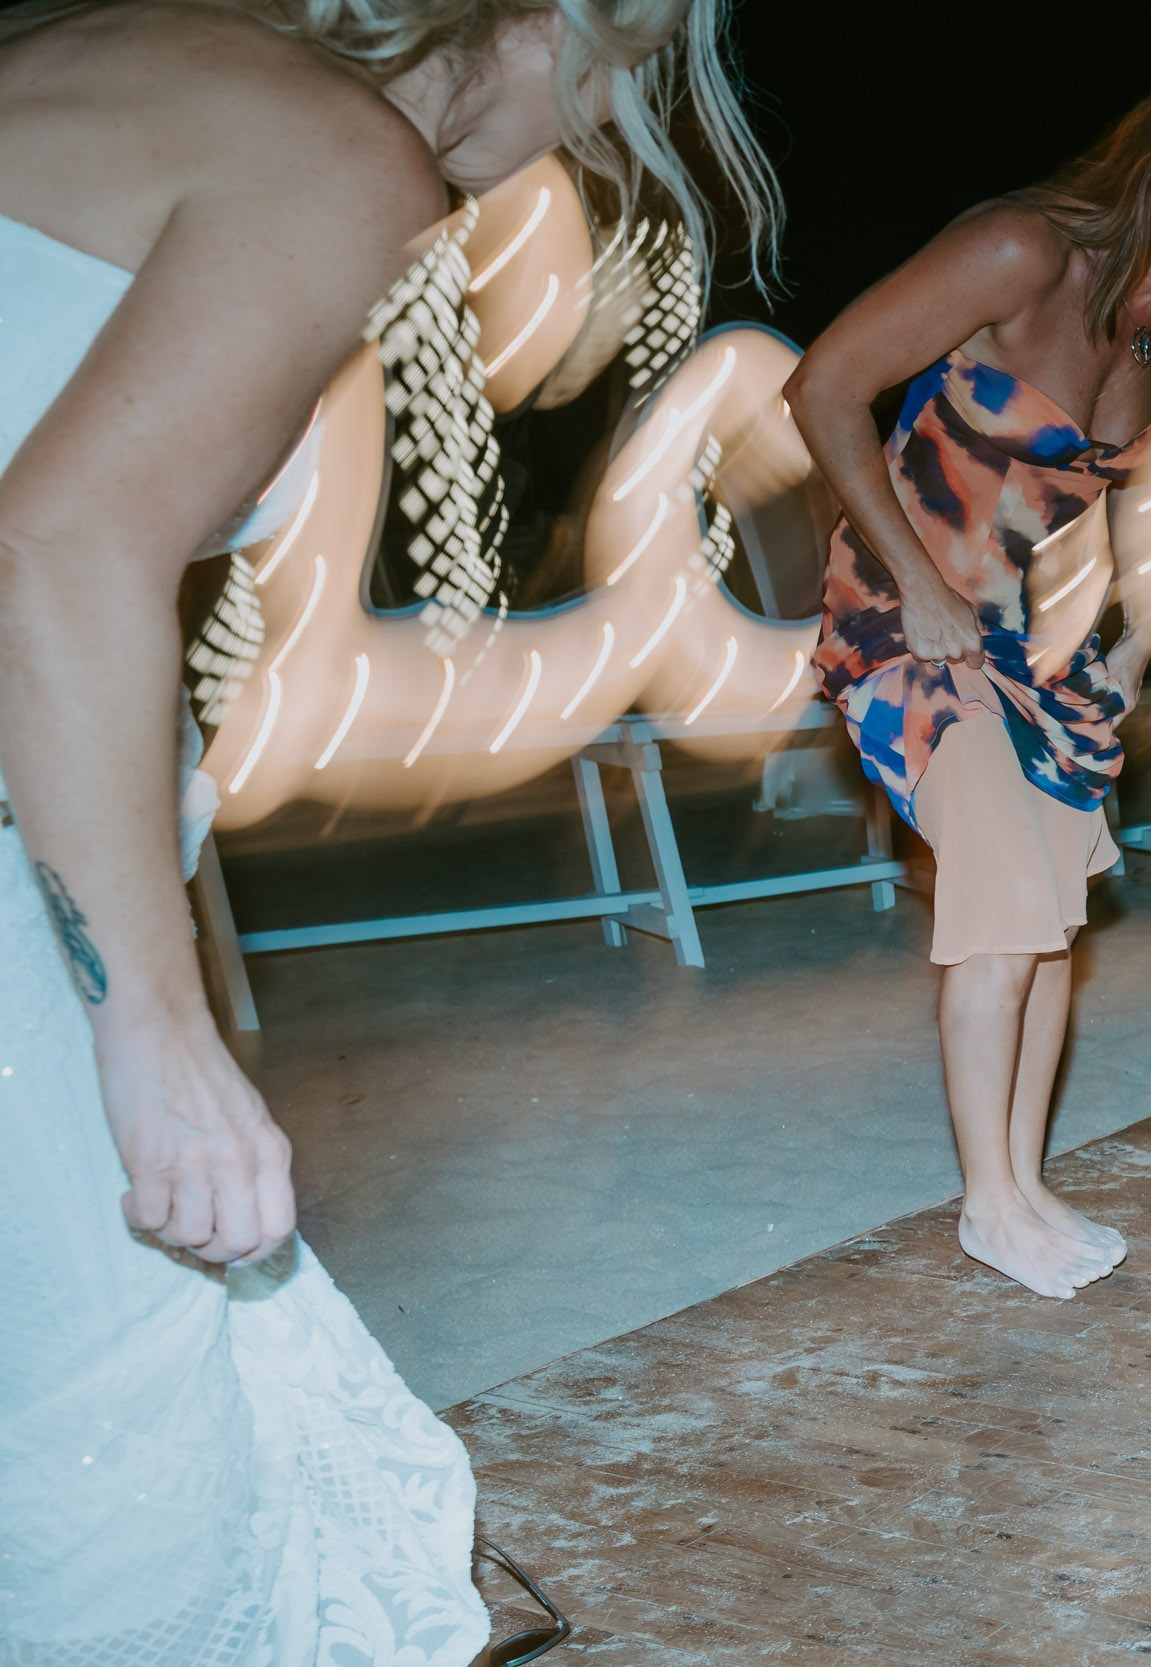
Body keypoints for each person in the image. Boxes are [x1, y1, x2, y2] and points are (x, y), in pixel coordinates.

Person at [0, 0, 779, 1659]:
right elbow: (57, 548)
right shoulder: (343, 150)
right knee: (107, 1456)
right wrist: (151, 1019)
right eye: (632, 79)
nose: (599, 133)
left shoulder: (132, 57)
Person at [792, 63, 1151, 1302]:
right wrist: (918, 580)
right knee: (998, 884)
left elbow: (1131, 509)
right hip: (902, 611)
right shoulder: (1019, 252)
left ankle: (1025, 1178)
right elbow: (822, 386)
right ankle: (987, 1202)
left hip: (1032, 640)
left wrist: (1132, 641)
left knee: (1051, 914)